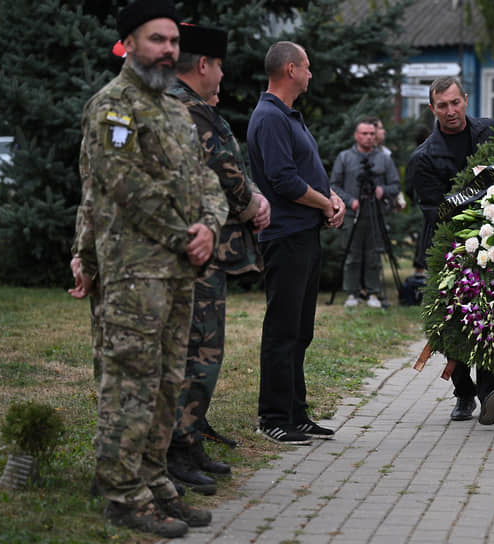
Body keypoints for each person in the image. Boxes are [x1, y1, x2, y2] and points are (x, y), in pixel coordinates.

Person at [74, 0, 229, 536]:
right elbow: (122, 184)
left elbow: (206, 179)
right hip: (134, 275)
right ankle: (121, 494)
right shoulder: (113, 107)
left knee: (167, 383)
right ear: (130, 44)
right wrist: (182, 236)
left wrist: (209, 225)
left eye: (172, 41)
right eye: (156, 40)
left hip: (178, 271)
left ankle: (154, 483)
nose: (168, 49)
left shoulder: (170, 107)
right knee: (130, 386)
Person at [164, 23, 271, 495]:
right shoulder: (186, 109)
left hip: (203, 246)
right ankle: (177, 449)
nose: (224, 75)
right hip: (193, 250)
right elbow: (221, 171)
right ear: (203, 65)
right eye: (220, 66)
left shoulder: (188, 106)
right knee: (198, 353)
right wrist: (252, 203)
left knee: (200, 350)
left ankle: (189, 441)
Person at [247, 41, 346, 445]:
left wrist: (332, 196)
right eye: (307, 66)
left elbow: (306, 172)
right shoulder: (269, 117)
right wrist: (325, 203)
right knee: (282, 329)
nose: (310, 73)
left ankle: (296, 414)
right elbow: (285, 180)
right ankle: (272, 417)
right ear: (290, 69)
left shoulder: (288, 116)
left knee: (300, 329)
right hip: (285, 236)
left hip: (303, 234)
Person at [405, 76, 494, 425]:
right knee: (455, 323)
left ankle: (492, 391)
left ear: (466, 99)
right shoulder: (424, 157)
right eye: (442, 105)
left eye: (455, 102)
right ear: (432, 109)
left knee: (491, 315)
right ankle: (463, 393)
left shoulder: (490, 133)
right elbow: (437, 211)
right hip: (448, 247)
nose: (451, 111)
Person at [330, 119, 400, 308]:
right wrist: (349, 200)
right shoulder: (344, 157)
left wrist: (382, 191)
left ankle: (373, 293)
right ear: (356, 135)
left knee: (374, 256)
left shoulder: (384, 158)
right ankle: (352, 293)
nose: (369, 137)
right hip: (353, 215)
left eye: (372, 134)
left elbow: (395, 185)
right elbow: (333, 185)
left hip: (376, 215)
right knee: (352, 255)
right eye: (364, 134)